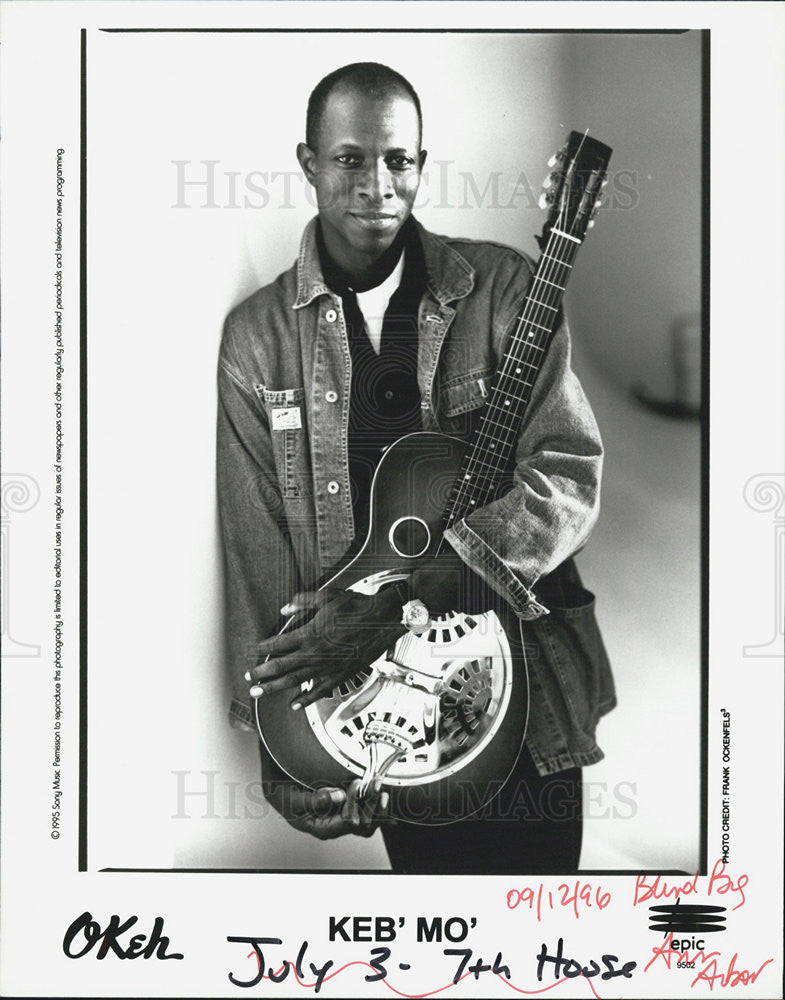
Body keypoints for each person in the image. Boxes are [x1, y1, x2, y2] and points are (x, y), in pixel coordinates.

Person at [217, 62, 616, 873]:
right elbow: (256, 551)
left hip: (527, 687)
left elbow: (568, 473)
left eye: (398, 160)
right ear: (307, 162)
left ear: (422, 166)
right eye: (349, 159)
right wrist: (279, 745)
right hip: (375, 701)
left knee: (539, 927)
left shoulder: (502, 287)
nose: (376, 183)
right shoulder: (256, 339)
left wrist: (406, 596)